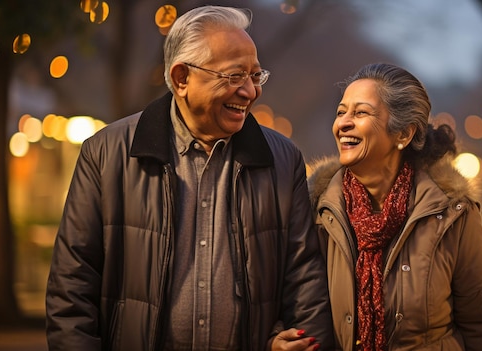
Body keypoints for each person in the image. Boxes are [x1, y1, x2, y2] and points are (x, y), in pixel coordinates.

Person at [45, 5, 334, 351]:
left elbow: (305, 281)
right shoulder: (106, 154)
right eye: (234, 76)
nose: (251, 92)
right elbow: (71, 288)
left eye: (256, 76)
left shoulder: (283, 161)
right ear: (182, 78)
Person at [308, 63, 482, 350]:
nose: (343, 123)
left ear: (403, 134)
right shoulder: (317, 209)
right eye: (341, 112)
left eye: (361, 112)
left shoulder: (451, 212)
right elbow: (292, 303)